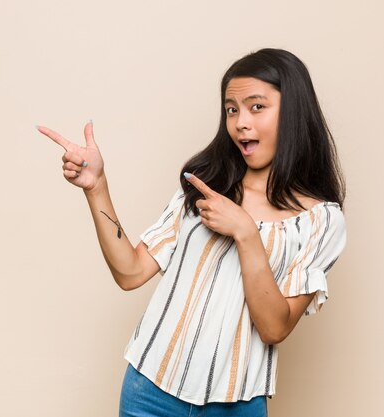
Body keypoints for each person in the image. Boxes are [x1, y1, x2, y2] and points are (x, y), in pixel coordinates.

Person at [37, 48, 346, 417]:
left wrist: (246, 234)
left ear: (294, 111)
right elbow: (130, 271)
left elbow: (274, 327)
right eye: (232, 109)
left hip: (237, 406)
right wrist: (96, 186)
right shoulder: (204, 186)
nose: (240, 122)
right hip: (149, 392)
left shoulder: (321, 221)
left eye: (256, 107)